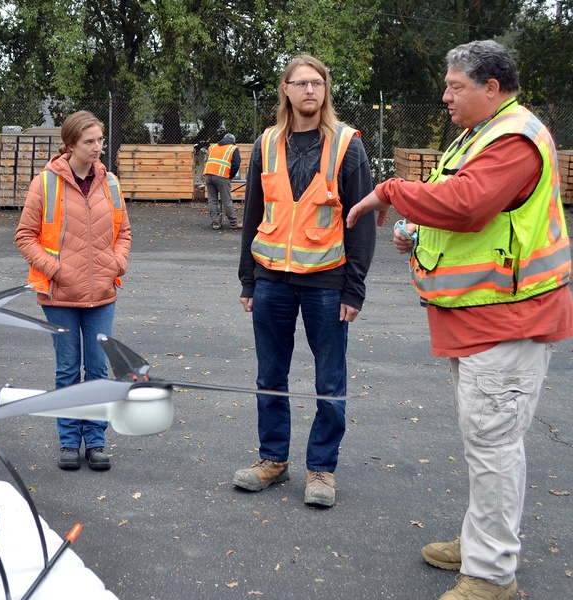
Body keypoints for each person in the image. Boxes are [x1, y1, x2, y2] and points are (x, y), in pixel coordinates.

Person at [346, 40, 573, 600]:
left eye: (455, 86)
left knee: (493, 444)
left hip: (507, 320)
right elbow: (461, 211)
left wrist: (390, 193)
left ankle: (493, 575)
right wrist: (421, 235)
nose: (444, 95)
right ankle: (482, 544)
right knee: (483, 440)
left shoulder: (514, 137)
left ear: (491, 88)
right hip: (481, 318)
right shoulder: (482, 133)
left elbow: (465, 204)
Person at [234, 55, 376, 508]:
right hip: (271, 279)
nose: (310, 91)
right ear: (286, 90)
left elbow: (361, 223)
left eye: (317, 83)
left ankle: (322, 469)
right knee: (270, 376)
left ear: (325, 90)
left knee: (329, 380)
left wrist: (354, 287)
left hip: (327, 282)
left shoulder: (347, 146)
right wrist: (248, 280)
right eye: (301, 83)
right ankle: (273, 460)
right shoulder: (266, 143)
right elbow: (253, 214)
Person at [15, 110, 132, 471]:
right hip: (60, 294)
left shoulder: (110, 183)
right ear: (69, 145)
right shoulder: (46, 184)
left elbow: (123, 233)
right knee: (68, 369)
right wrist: (56, 270)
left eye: (100, 140)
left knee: (98, 369)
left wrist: (117, 263)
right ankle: (69, 441)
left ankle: (95, 440)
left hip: (102, 295)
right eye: (89, 142)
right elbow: (24, 236)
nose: (98, 147)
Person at [204, 133, 243, 230]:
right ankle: (233, 222)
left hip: (208, 174)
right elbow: (236, 164)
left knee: (212, 199)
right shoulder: (233, 148)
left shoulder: (214, 147)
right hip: (222, 176)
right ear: (233, 141)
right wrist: (231, 176)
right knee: (226, 199)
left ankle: (216, 222)